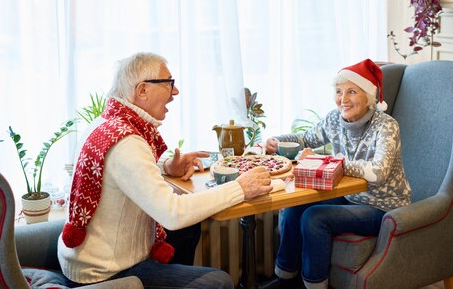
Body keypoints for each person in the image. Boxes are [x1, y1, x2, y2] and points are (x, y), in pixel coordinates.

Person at [58, 52, 273, 289]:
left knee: (190, 226)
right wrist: (240, 188)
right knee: (219, 281)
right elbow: (172, 214)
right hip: (107, 273)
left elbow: (119, 170)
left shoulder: (107, 124)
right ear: (142, 91)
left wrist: (166, 166)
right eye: (169, 83)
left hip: (84, 261)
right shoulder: (127, 143)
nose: (176, 91)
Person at [261, 59, 412, 289]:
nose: (343, 99)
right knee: (294, 207)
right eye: (339, 91)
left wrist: (332, 161)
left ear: (369, 96)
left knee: (315, 218)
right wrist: (277, 140)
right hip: (351, 197)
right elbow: (306, 139)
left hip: (383, 205)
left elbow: (378, 172)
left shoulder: (386, 126)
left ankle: (314, 285)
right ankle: (286, 279)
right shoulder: (335, 119)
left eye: (352, 91)